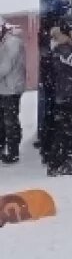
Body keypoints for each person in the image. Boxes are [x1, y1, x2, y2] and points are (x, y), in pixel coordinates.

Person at [40, 16, 72, 176]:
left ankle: (60, 157)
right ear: (69, 32)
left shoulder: (68, 47)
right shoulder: (63, 49)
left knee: (67, 129)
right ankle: (56, 163)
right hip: (67, 95)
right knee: (63, 130)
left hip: (71, 93)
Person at [36, 0, 72, 157]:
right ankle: (52, 149)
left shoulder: (45, 24)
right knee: (58, 115)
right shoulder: (56, 28)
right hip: (57, 77)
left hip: (49, 76)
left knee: (51, 113)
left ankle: (47, 145)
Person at [0, 17, 27, 164]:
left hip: (11, 88)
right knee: (3, 122)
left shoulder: (12, 43)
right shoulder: (4, 42)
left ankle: (13, 152)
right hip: (3, 88)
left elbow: (4, 67)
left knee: (10, 122)